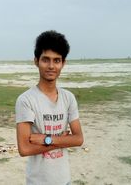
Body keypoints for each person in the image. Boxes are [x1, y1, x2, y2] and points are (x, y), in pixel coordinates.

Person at [15, 30, 84, 185]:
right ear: (36, 61)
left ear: (63, 63)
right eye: (46, 60)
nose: (51, 66)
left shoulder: (68, 98)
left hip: (65, 180)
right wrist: (65, 140)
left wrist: (46, 139)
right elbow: (24, 148)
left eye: (57, 60)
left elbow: (79, 139)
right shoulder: (26, 100)